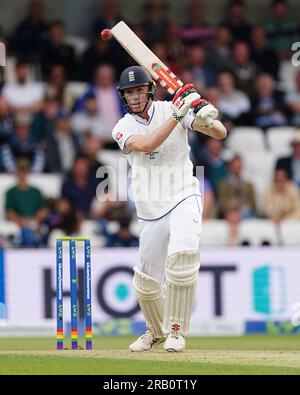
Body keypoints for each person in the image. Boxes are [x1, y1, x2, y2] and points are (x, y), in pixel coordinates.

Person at [112, 65, 227, 352]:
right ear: (123, 97)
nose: (135, 97)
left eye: (139, 90)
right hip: (150, 207)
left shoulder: (170, 108)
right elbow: (149, 142)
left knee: (182, 260)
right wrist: (180, 113)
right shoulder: (122, 127)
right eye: (129, 93)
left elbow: (221, 133)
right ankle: (156, 330)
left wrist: (204, 113)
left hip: (183, 195)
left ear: (150, 90)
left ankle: (176, 330)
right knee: (146, 282)